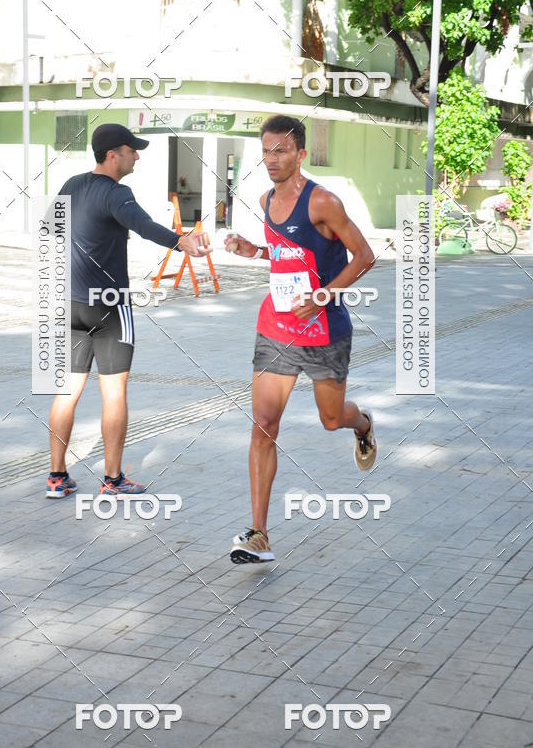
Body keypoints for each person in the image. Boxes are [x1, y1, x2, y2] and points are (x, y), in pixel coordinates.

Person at [227, 115, 377, 564]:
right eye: (266, 151)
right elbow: (283, 252)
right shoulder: (265, 199)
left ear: (300, 154)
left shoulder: (323, 202)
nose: (271, 159)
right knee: (263, 426)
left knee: (331, 420)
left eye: (281, 151)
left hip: (325, 329)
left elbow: (365, 255)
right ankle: (258, 533)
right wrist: (253, 250)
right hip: (277, 327)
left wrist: (323, 294)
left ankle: (364, 424)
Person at [46, 123, 210, 499]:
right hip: (108, 306)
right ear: (112, 155)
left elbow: (52, 234)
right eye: (131, 149)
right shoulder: (118, 193)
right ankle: (113, 480)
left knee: (67, 392)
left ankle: (56, 477)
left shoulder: (71, 185)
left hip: (69, 305)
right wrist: (182, 241)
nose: (136, 155)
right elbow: (144, 226)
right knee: (114, 394)